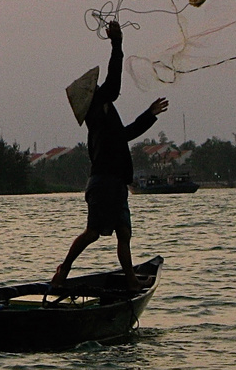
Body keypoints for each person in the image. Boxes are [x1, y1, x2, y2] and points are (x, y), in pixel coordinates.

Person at [52, 21, 168, 290]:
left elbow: (125, 134)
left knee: (124, 234)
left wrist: (149, 115)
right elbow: (114, 83)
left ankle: (129, 280)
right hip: (104, 184)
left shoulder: (103, 115)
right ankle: (63, 270)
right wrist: (117, 45)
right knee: (92, 233)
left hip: (114, 184)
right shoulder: (98, 110)